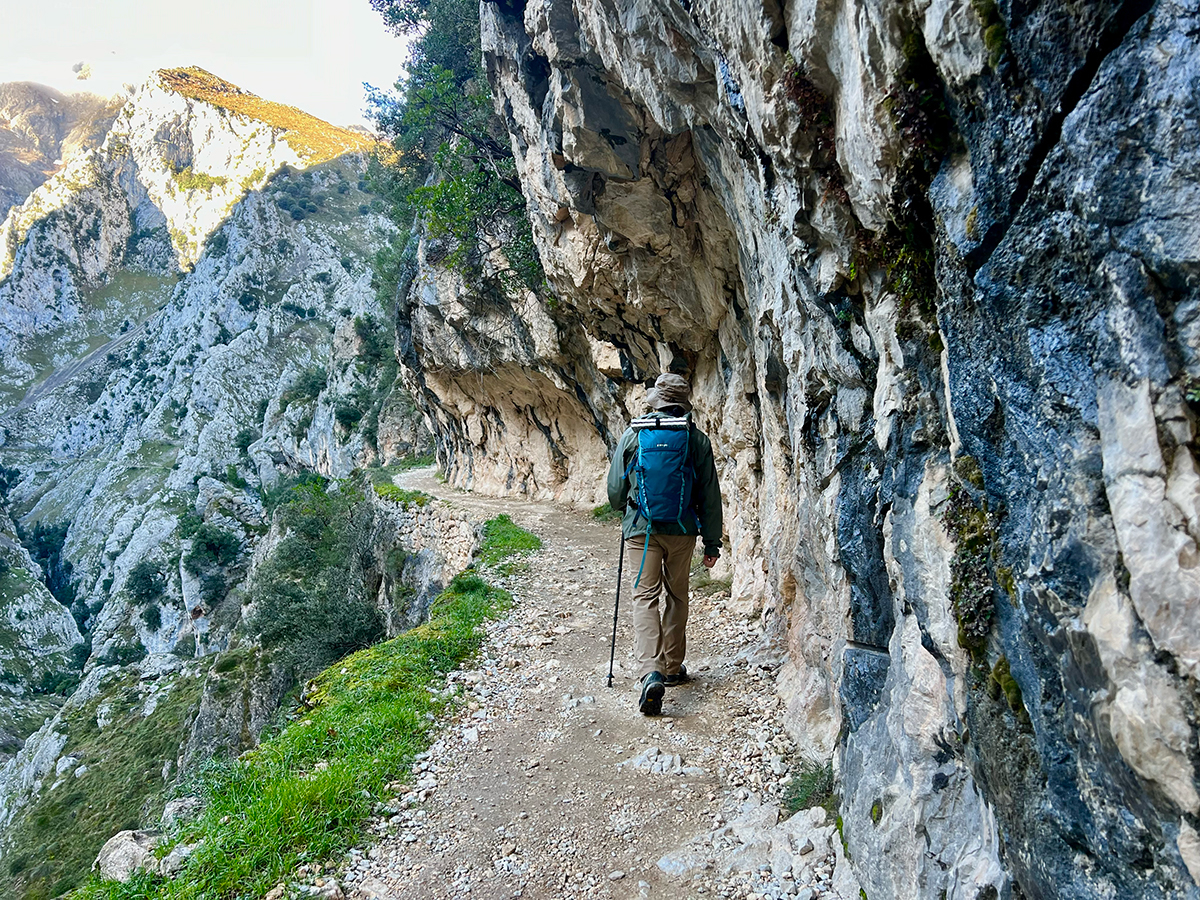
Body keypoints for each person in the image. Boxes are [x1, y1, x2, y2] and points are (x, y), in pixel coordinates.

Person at [606, 373, 723, 716]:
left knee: (644, 597)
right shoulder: (695, 439)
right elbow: (710, 496)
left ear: (657, 401)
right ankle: (672, 667)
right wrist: (712, 542)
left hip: (642, 531)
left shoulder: (634, 435)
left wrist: (626, 510)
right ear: (683, 404)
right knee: (676, 595)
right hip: (682, 530)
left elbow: (614, 490)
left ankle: (650, 672)